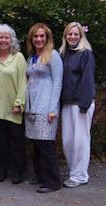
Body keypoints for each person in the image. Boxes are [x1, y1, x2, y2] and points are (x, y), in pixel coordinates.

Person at [25, 23, 63, 193]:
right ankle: (40, 175)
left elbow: (57, 82)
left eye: (42, 36)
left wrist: (53, 108)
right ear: (31, 39)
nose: (39, 39)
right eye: (36, 36)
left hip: (46, 106)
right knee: (37, 143)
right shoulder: (31, 57)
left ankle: (53, 182)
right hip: (32, 107)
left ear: (47, 38)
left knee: (46, 144)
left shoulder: (52, 55)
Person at [0, 24, 27, 184]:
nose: (3, 40)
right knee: (1, 141)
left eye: (6, 37)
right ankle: (2, 169)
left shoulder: (18, 57)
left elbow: (23, 82)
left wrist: (19, 103)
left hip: (13, 107)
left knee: (16, 141)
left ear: (11, 40)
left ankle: (18, 171)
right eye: (0, 37)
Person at [59, 22, 96, 188]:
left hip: (81, 104)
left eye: (76, 34)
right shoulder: (64, 54)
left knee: (80, 141)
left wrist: (84, 104)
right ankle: (73, 170)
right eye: (69, 34)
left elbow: (88, 80)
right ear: (65, 36)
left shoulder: (85, 54)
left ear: (81, 36)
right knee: (68, 141)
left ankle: (80, 175)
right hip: (67, 104)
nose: (72, 37)